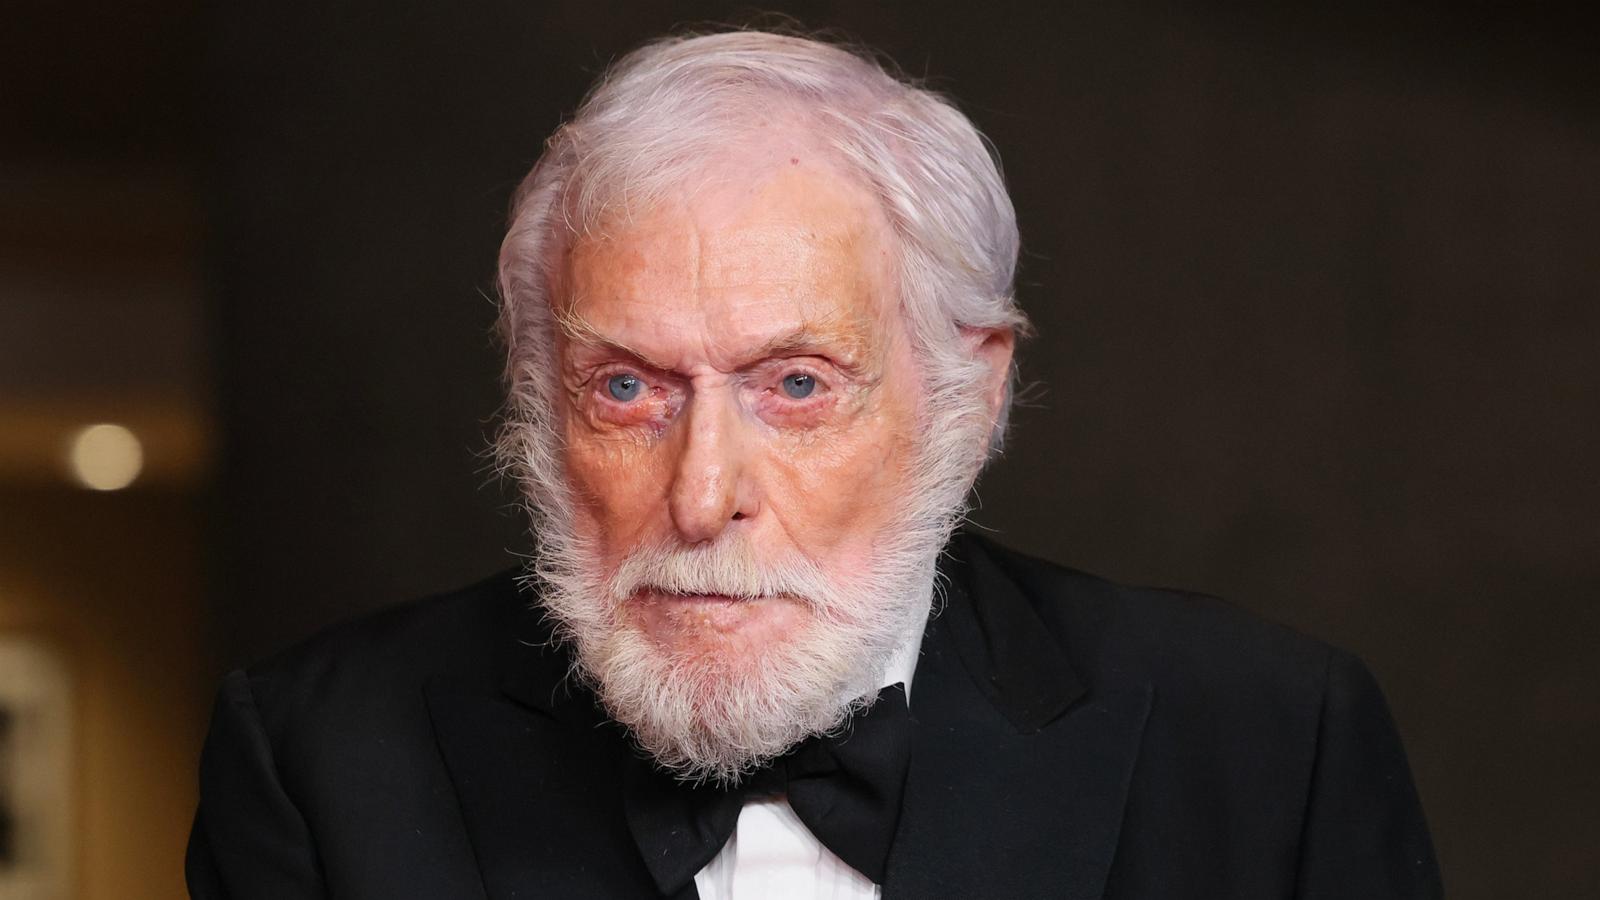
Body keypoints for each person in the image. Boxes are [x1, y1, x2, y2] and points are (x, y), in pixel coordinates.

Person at [186, 29, 1442, 899]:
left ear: (968, 392)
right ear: (535, 404)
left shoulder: (1268, 745)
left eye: (794, 386)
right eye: (627, 388)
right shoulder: (321, 760)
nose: (702, 493)